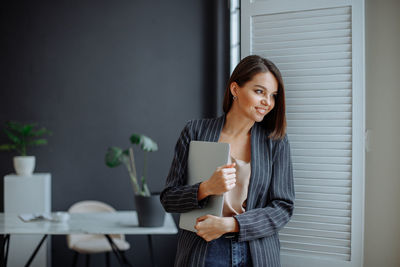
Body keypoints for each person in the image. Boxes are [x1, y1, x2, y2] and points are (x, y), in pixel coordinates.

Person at [160, 55, 295, 267]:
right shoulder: (195, 131)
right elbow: (168, 199)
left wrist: (231, 224)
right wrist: (205, 188)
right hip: (205, 250)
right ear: (235, 89)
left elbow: (282, 207)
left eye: (273, 95)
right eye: (259, 91)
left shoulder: (275, 141)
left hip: (256, 253)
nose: (267, 102)